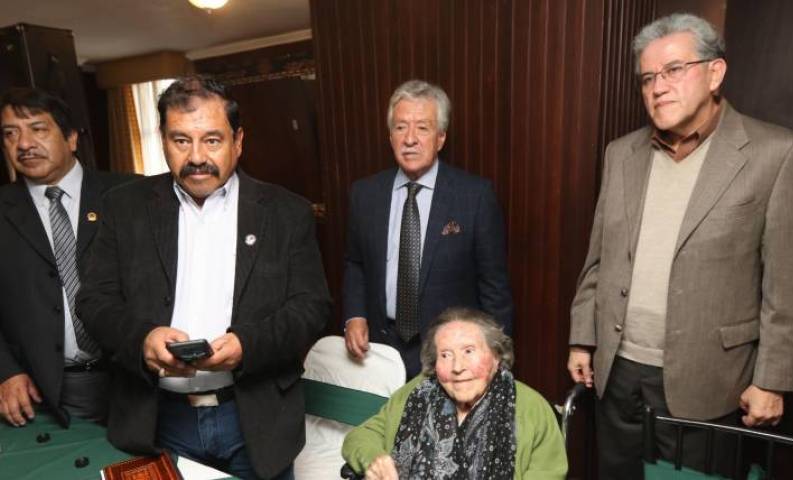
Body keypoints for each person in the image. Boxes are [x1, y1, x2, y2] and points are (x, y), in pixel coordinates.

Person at [567, 13, 793, 479]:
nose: (658, 87)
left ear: (715, 72)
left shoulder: (776, 153)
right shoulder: (621, 153)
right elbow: (598, 258)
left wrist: (772, 380)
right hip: (619, 372)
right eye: (648, 77)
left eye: (674, 70)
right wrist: (582, 337)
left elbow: (785, 285)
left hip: (710, 379)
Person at [77, 76, 331, 480]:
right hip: (158, 420)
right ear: (163, 140)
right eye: (181, 140)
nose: (196, 156)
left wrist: (248, 345)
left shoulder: (286, 212)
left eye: (212, 140)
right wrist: (142, 339)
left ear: (238, 141)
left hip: (255, 420)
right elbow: (94, 300)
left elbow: (311, 307)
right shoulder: (123, 207)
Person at [343, 79, 513, 377]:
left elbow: (494, 287)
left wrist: (496, 360)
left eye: (422, 127)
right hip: (379, 352)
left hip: (450, 358)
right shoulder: (364, 194)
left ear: (441, 137)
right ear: (390, 135)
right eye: (400, 127)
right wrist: (354, 315)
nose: (410, 139)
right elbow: (355, 264)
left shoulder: (474, 196)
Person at [0, 87, 134, 427]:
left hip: (140, 381)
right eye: (10, 134)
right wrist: (5, 372)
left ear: (71, 138)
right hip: (45, 392)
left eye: (38, 129)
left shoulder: (133, 196)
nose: (24, 144)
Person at [342, 307, 567, 480]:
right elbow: (360, 437)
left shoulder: (531, 408)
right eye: (446, 355)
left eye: (469, 351)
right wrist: (375, 459)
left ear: (496, 357)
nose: (457, 366)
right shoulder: (416, 393)